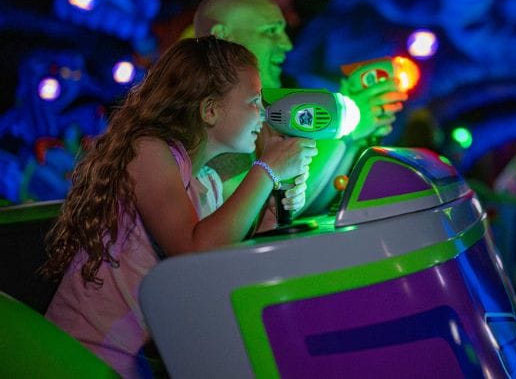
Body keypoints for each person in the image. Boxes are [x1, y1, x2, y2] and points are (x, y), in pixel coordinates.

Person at [39, 36, 317, 377]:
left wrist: (274, 205)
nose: (264, 113)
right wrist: (266, 170)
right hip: (82, 361)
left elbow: (233, 274)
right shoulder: (148, 152)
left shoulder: (208, 183)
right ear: (210, 109)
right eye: (253, 101)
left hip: (139, 364)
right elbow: (193, 255)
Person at [193, 0, 407, 216]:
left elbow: (307, 206)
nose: (286, 43)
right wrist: (344, 128)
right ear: (222, 36)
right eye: (271, 30)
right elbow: (255, 215)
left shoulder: (261, 110)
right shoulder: (210, 112)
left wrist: (353, 135)